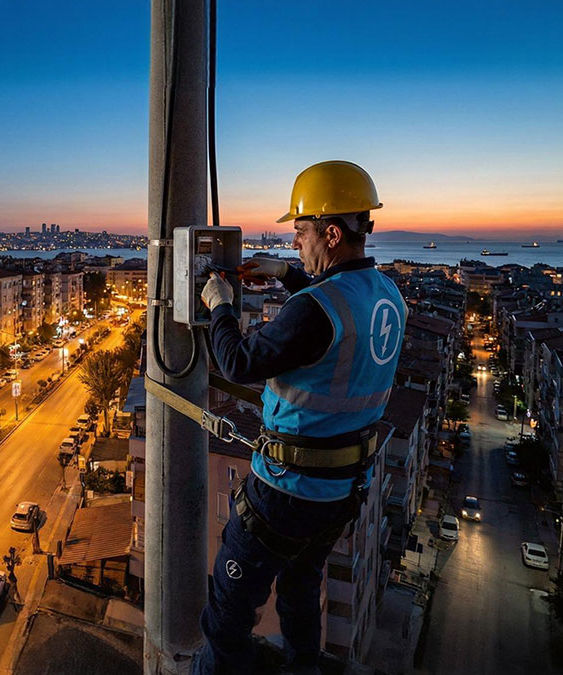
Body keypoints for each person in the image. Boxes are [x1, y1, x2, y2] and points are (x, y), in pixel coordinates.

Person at [192, 161, 407, 675]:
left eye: (301, 233)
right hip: (343, 489)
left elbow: (239, 362)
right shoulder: (387, 296)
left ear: (331, 234)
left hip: (286, 492)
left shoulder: (316, 308)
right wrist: (287, 275)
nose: (296, 245)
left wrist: (220, 306)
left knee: (227, 615)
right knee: (299, 587)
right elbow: (329, 329)